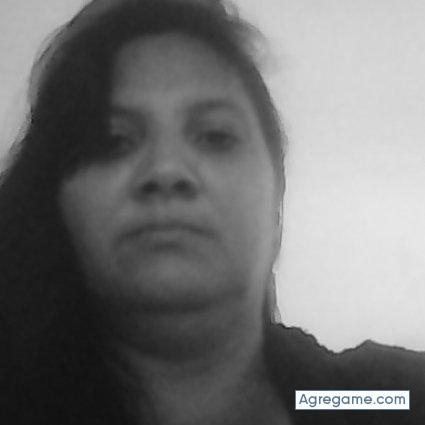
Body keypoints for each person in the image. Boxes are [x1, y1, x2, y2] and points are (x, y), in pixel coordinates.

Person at [0, 0, 423, 424]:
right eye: (113, 141)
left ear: (275, 204)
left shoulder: (370, 400)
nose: (167, 170)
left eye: (215, 136)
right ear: (54, 202)